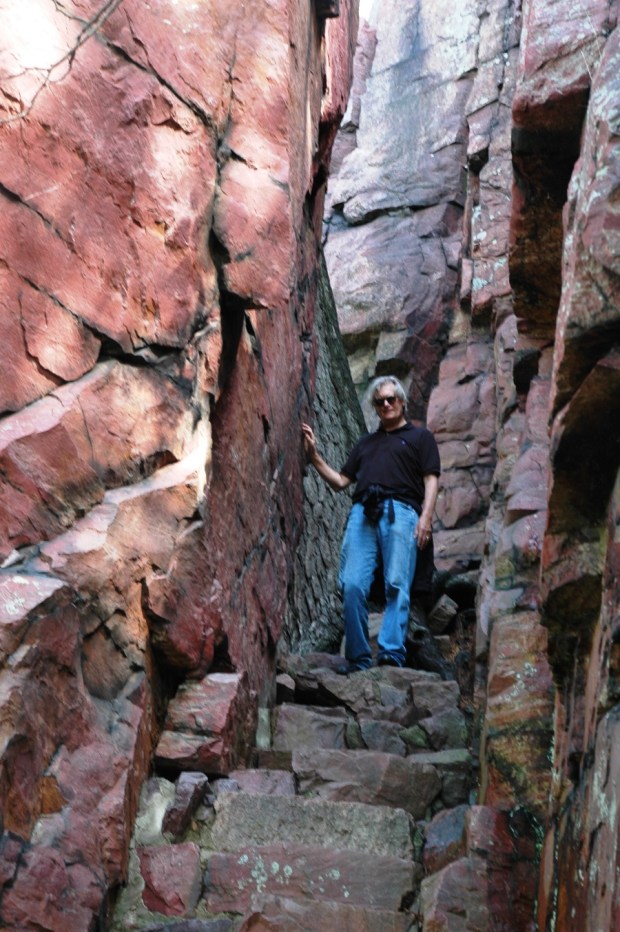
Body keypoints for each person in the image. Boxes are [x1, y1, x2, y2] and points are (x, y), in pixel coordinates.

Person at [302, 375, 440, 672]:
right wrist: (314, 457)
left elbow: (431, 479)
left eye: (391, 399)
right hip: (363, 513)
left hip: (402, 512)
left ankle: (391, 652)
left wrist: (426, 518)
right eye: (380, 401)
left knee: (397, 583)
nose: (386, 404)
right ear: (375, 407)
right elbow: (341, 481)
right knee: (352, 584)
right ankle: (358, 657)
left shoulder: (420, 438)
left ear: (402, 401)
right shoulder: (366, 444)